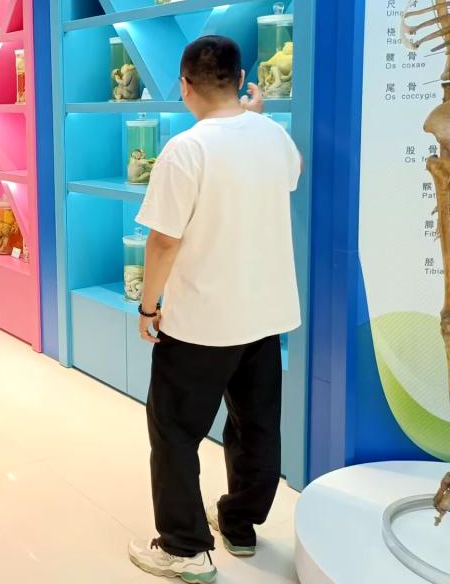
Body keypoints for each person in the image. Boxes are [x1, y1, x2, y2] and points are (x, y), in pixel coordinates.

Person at [127, 36, 301, 582]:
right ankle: (240, 526)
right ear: (241, 77)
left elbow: (163, 241)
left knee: (175, 431)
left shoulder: (185, 149)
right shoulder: (274, 137)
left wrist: (148, 306)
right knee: (256, 426)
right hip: (264, 315)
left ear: (184, 85)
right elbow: (286, 175)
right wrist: (256, 119)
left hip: (201, 321)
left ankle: (184, 548)